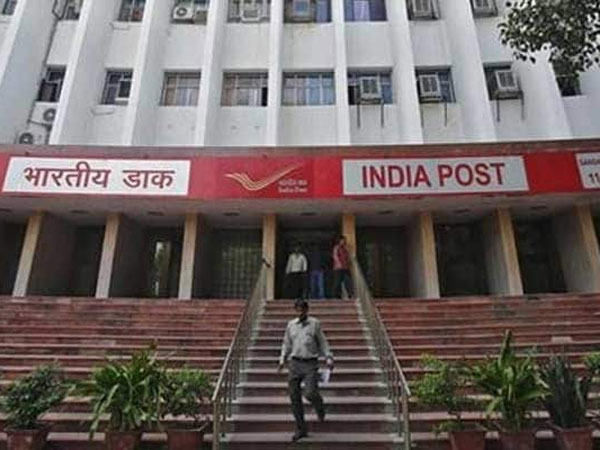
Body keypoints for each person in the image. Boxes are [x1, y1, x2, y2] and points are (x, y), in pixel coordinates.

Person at [278, 298, 334, 442]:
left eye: (302, 310)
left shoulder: (315, 324)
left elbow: (322, 342)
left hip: (310, 363)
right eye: (298, 310)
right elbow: (286, 343)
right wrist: (282, 359)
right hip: (295, 363)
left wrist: (328, 357)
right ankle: (301, 428)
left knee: (310, 393)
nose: (300, 312)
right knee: (294, 397)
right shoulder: (291, 325)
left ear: (307, 310)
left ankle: (319, 406)